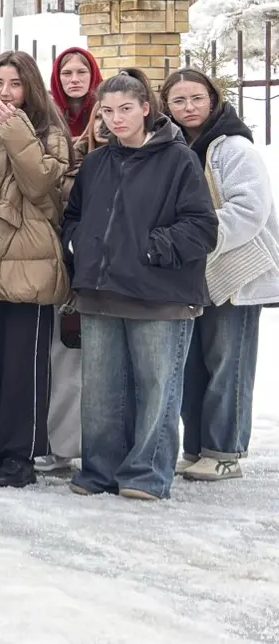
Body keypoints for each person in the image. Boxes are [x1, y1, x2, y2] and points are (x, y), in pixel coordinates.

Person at [63, 73, 217, 500]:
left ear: (146, 108)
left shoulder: (179, 160)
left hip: (160, 296)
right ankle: (100, 471)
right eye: (107, 111)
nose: (116, 119)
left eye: (126, 109)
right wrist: (79, 244)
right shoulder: (96, 163)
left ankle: (146, 475)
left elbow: (202, 227)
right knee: (100, 393)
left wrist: (150, 249)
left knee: (156, 390)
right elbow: (73, 217)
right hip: (100, 293)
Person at [0, 52, 70, 489]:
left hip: (27, 262)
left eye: (15, 84)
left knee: (23, 366)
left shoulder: (48, 134)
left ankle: (20, 455)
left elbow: (40, 184)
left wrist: (15, 129)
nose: (4, 92)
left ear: (30, 89)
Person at [163, 69, 279, 482]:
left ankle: (224, 450)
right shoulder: (172, 147)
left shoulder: (233, 148)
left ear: (212, 99)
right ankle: (197, 448)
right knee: (193, 363)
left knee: (228, 361)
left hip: (234, 271)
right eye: (178, 101)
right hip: (193, 275)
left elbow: (250, 210)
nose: (189, 107)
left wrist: (195, 237)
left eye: (196, 98)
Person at [43, 46, 103, 473]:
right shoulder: (49, 121)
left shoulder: (106, 123)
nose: (75, 79)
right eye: (67, 72)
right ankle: (62, 444)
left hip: (104, 266)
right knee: (63, 357)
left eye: (83, 71)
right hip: (61, 257)